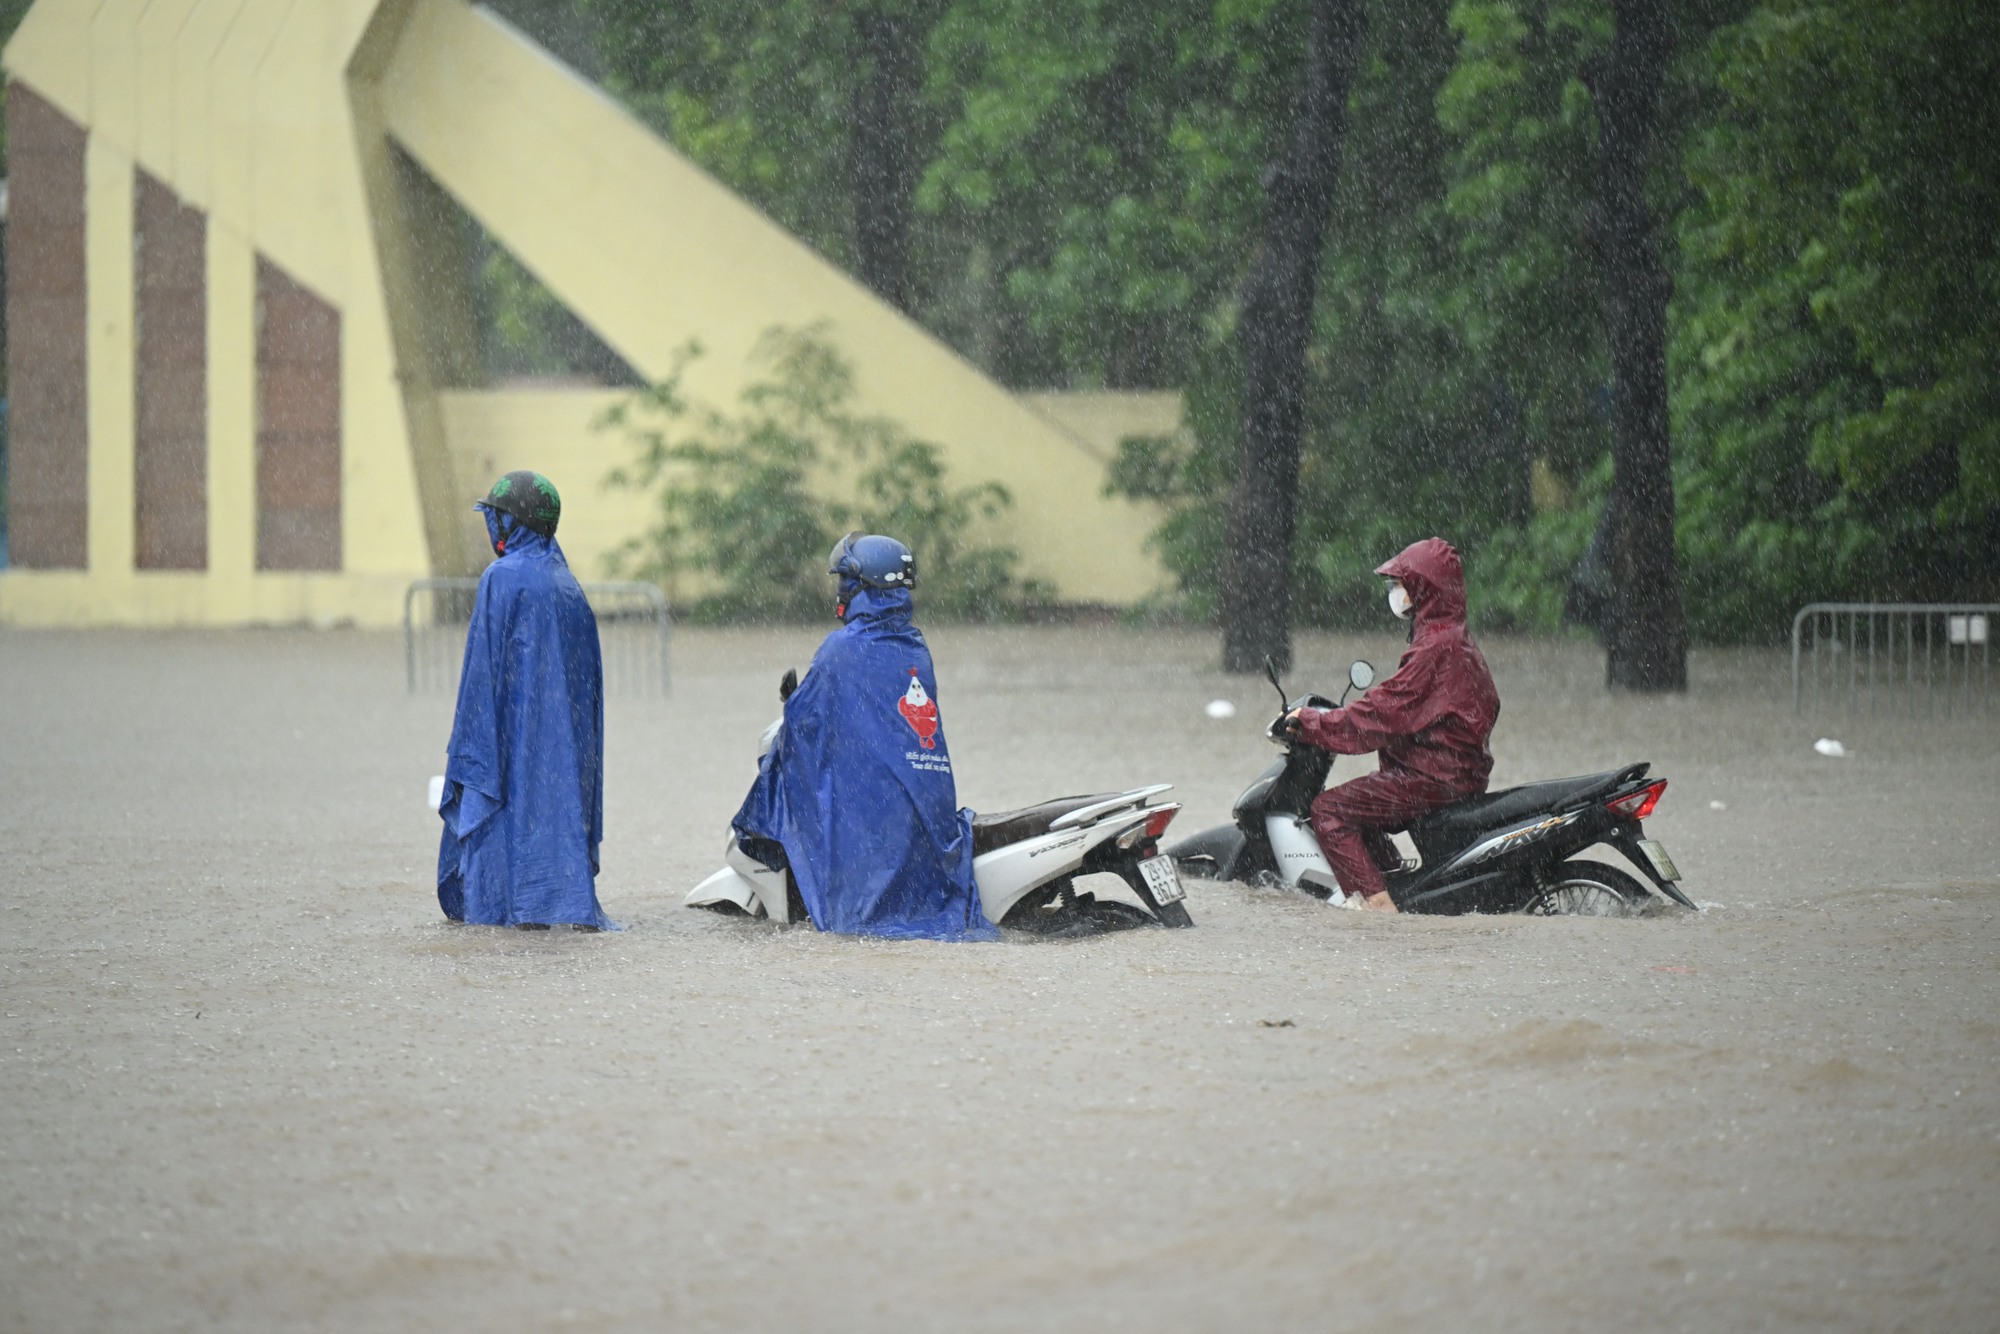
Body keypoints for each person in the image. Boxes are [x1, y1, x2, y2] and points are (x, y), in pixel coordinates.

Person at [731, 532, 996, 940]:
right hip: (927, 817)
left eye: (845, 582)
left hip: (875, 820)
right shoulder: (914, 647)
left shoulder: (840, 649)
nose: (840, 591)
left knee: (851, 925)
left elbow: (805, 723)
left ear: (861, 587)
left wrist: (791, 707)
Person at [435, 470, 616, 931]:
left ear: (512, 525)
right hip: (561, 752)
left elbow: (481, 678)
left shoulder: (502, 578)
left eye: (495, 519)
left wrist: (469, 752)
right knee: (548, 817)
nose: (490, 529)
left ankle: (506, 908)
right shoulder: (569, 587)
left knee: (503, 837)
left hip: (511, 740)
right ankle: (553, 904)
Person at [1283, 537, 1500, 912]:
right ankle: (1395, 882)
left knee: (1329, 811)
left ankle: (1379, 908)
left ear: (1422, 589)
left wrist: (1313, 724)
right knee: (1363, 807)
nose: (1395, 593)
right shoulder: (1454, 638)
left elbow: (1381, 713)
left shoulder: (1436, 647)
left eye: (1400, 585)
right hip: (1457, 774)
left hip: (1433, 779)